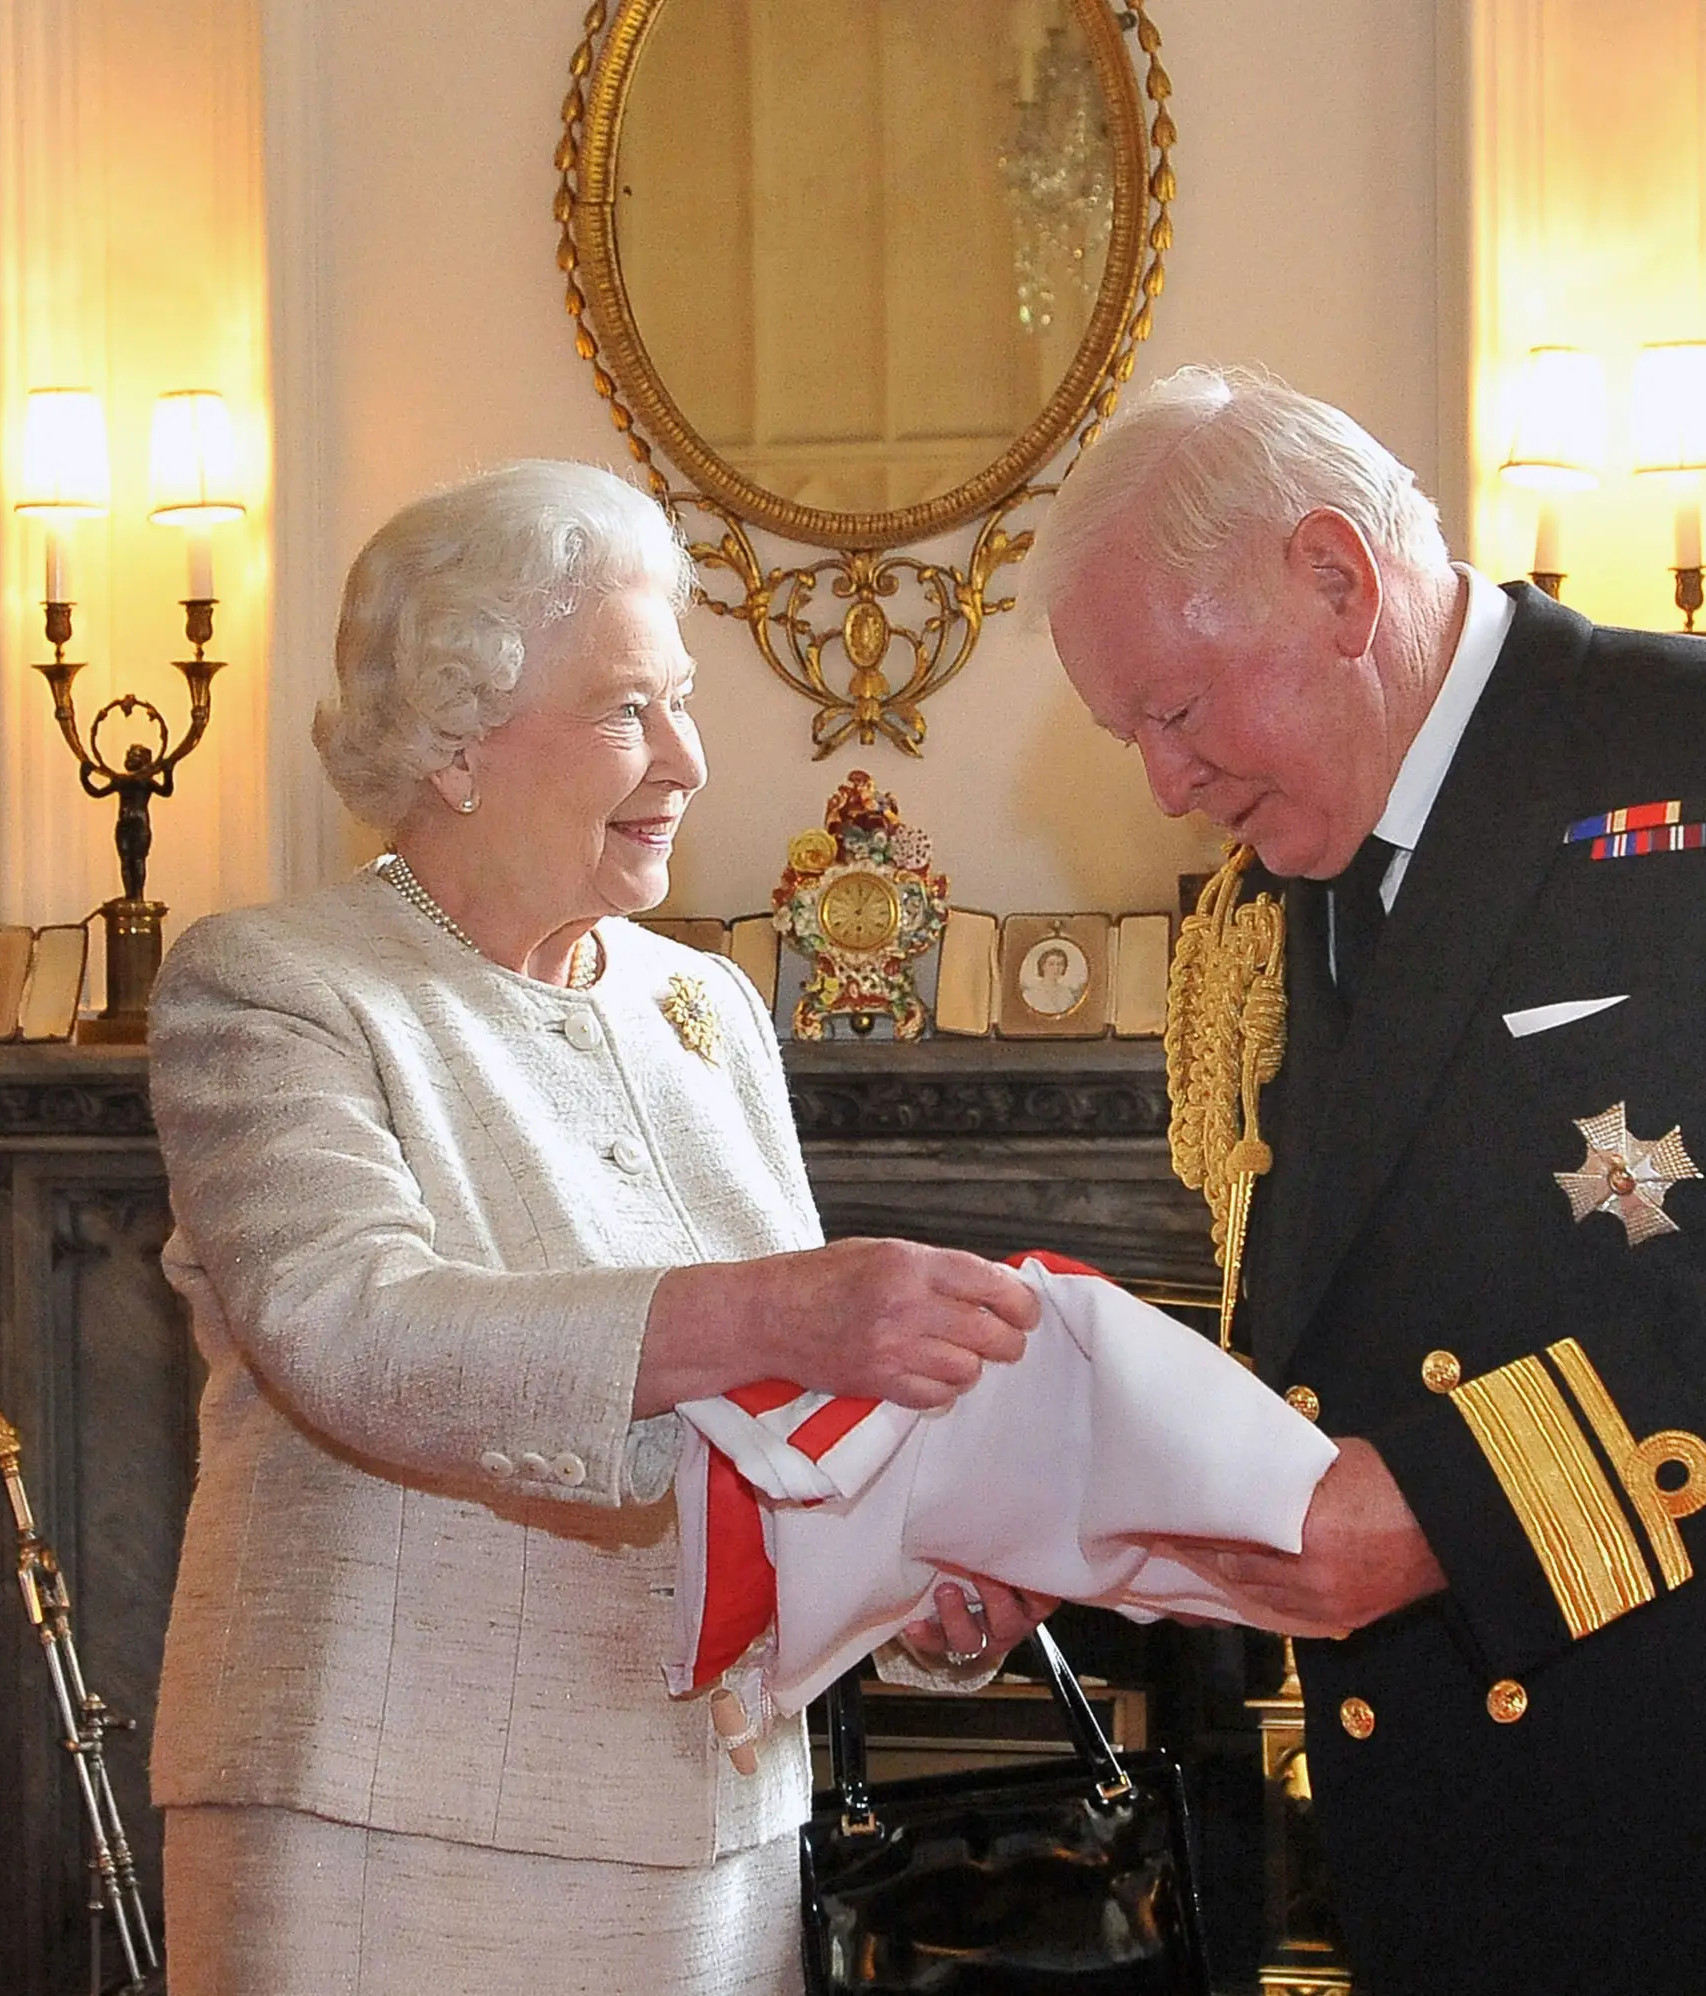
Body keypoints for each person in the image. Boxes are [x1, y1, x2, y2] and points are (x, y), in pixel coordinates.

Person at [1031, 364, 1706, 1995]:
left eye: (1174, 710)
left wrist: (1445, 1505)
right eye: (1127, 735)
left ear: (1335, 578)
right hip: (1492, 1846)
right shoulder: (1283, 893)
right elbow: (1323, 1373)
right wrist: (1045, 1559)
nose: (1164, 782)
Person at [146, 460, 1054, 1996]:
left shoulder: (703, 1005)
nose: (688, 758)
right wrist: (779, 1313)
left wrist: (916, 1586)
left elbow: (781, 1433)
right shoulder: (276, 988)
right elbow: (353, 1332)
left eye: (681, 701)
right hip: (388, 1830)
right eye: (629, 709)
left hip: (722, 1837)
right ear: (453, 743)